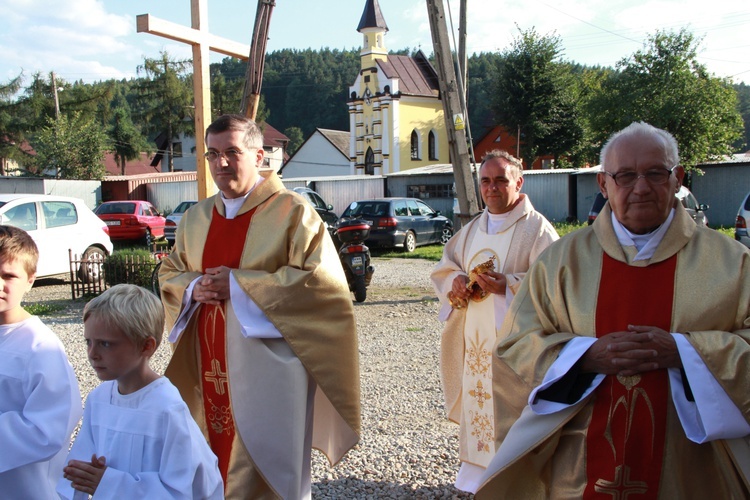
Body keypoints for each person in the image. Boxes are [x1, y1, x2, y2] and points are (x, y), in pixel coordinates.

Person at [475, 121, 750, 498]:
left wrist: (685, 352)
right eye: (625, 176)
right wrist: (584, 357)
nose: (640, 187)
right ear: (603, 184)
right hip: (580, 466)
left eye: (655, 173)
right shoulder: (560, 262)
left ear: (678, 178)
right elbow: (513, 349)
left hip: (691, 470)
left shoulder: (733, 262)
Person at [158, 114, 360, 499]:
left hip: (269, 371)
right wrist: (193, 287)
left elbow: (322, 285)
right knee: (206, 457)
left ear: (259, 155)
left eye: (232, 152)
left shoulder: (293, 212)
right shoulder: (196, 218)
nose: (221, 163)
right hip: (207, 363)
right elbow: (170, 272)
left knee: (267, 467)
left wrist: (237, 285)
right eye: (212, 154)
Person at [430, 150, 559, 493]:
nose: (492, 188)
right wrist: (456, 279)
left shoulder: (537, 229)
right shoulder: (472, 229)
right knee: (478, 409)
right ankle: (476, 481)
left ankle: (516, 483)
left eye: (501, 180)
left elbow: (556, 286)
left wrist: (510, 287)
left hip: (515, 348)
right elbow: (446, 267)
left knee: (513, 413)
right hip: (474, 345)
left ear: (519, 182)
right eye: (485, 181)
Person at [56, 284, 223, 499]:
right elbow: (77, 471)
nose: (92, 354)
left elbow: (184, 489)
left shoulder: (166, 408)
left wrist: (110, 483)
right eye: (88, 342)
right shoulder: (98, 399)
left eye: (106, 344)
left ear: (146, 346)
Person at [0, 225, 82, 497]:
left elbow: (49, 430)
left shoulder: (40, 347)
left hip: (25, 489)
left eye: (8, 276)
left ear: (31, 279)